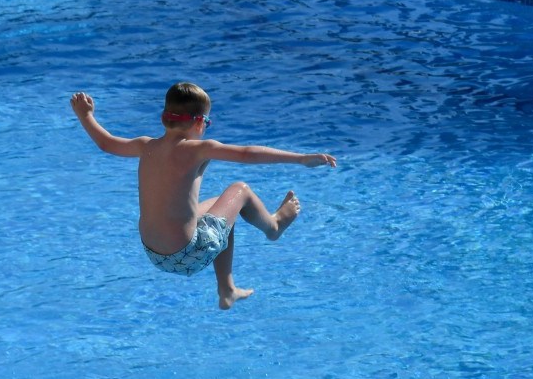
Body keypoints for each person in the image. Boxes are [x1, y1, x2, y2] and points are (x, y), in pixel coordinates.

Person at [70, 83, 337, 309]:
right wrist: (301, 159)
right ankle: (274, 226)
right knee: (239, 190)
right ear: (199, 122)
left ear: (165, 117)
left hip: (154, 254)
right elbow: (247, 153)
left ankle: (227, 290)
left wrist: (86, 116)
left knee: (220, 211)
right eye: (207, 122)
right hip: (187, 253)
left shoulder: (144, 145)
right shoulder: (198, 149)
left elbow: (106, 143)